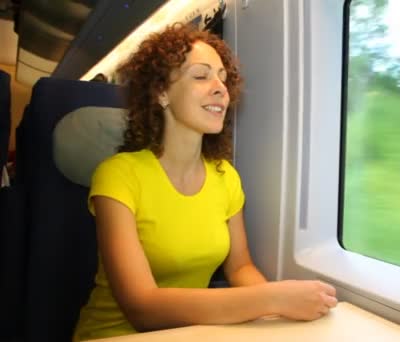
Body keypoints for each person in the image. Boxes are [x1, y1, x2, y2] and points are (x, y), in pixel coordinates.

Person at [73, 23, 337, 341]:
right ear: (161, 93)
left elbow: (239, 268)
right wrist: (272, 298)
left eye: (223, 78)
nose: (220, 88)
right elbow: (141, 307)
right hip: (116, 335)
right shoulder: (118, 175)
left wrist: (281, 313)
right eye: (201, 75)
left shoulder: (225, 177)